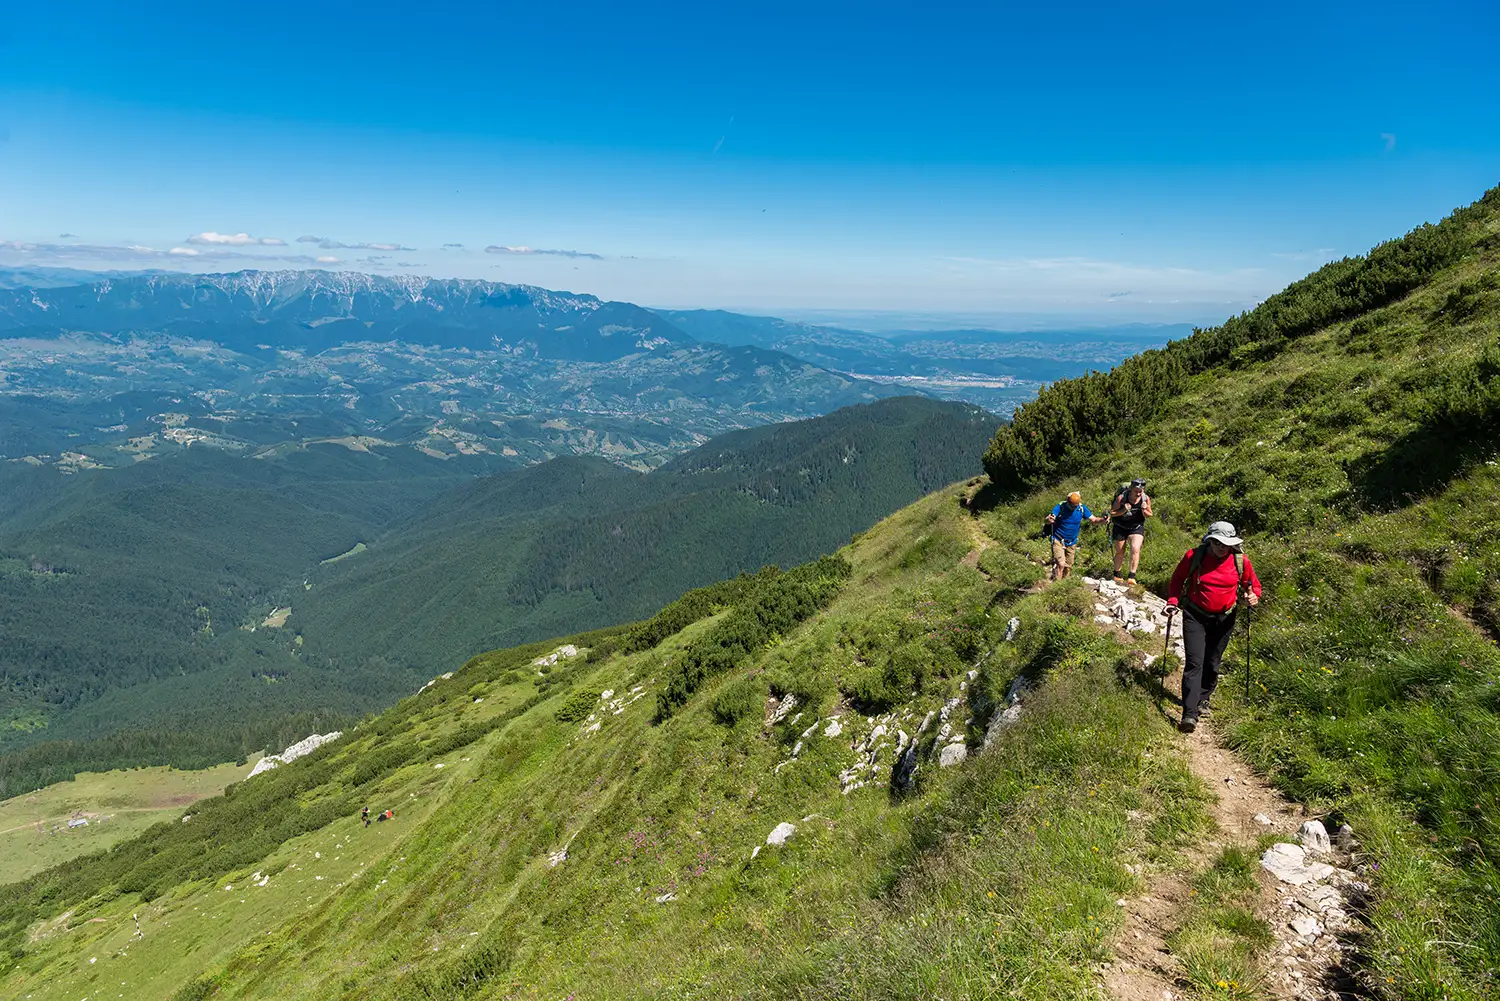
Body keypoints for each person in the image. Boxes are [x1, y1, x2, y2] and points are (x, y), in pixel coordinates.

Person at [1163, 521, 1261, 733]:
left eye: (1225, 543)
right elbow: (1178, 579)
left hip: (1224, 618)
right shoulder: (1194, 556)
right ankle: (1189, 713)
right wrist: (1172, 601)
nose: (1221, 547)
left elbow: (1252, 586)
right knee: (1194, 662)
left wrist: (1252, 597)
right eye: (1217, 542)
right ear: (1209, 541)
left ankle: (1203, 698)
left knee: (1213, 661)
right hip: (1195, 615)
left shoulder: (1240, 561)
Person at [1044, 491, 1107, 581]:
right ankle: (1057, 585)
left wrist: (1103, 520)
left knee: (1068, 566)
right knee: (1061, 564)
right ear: (1068, 501)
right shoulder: (1060, 506)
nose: (1073, 507)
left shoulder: (1081, 508)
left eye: (1075, 506)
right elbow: (1049, 519)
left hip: (1072, 541)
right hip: (1058, 539)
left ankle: (1065, 585)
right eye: (1072, 505)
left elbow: (1094, 520)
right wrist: (1048, 519)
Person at [1109, 478, 1153, 586]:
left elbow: (1149, 514)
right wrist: (1123, 510)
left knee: (1135, 548)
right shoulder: (1122, 497)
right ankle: (1117, 574)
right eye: (1136, 491)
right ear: (1131, 489)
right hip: (1120, 526)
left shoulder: (1145, 498)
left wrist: (1144, 510)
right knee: (1120, 551)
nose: (1138, 494)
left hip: (1136, 526)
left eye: (1140, 491)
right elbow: (1112, 513)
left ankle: (1132, 576)